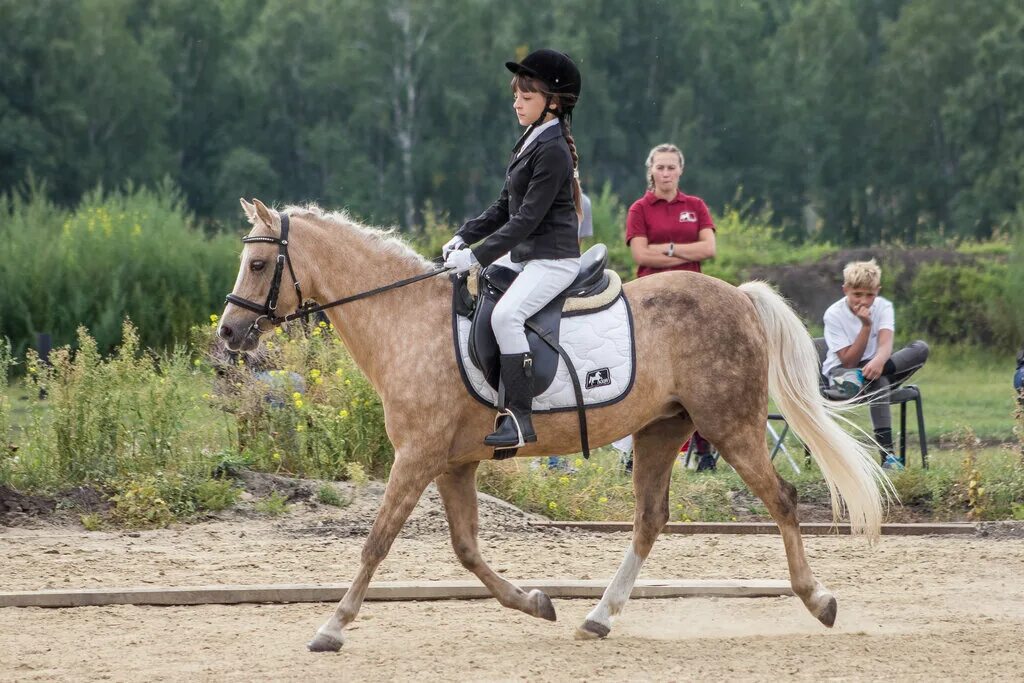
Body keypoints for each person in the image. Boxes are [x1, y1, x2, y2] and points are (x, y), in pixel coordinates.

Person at [442, 49, 584, 449]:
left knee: (506, 317)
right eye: (516, 95)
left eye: (527, 96)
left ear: (552, 102)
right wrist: (464, 235)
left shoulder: (553, 149)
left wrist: (475, 256)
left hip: (553, 260)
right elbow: (505, 205)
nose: (516, 102)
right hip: (528, 256)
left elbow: (527, 220)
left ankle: (520, 419)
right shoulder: (530, 139)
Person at [615, 143, 718, 472]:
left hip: (691, 305)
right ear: (651, 170)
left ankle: (704, 454)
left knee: (700, 379)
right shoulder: (640, 209)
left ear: (680, 170)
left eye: (671, 167)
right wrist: (685, 251)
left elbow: (709, 247)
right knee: (647, 379)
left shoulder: (696, 206)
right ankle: (634, 452)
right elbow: (641, 256)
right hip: (650, 306)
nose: (666, 173)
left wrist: (668, 249)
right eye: (660, 167)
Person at [822, 259, 930, 468]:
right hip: (842, 373)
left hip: (875, 368)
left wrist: (879, 361)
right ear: (845, 290)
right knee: (878, 384)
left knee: (920, 349)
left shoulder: (884, 307)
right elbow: (849, 359)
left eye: (869, 295)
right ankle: (888, 457)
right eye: (857, 294)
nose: (863, 301)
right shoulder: (833, 314)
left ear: (877, 291)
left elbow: (885, 343)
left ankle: (872, 376)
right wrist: (866, 326)